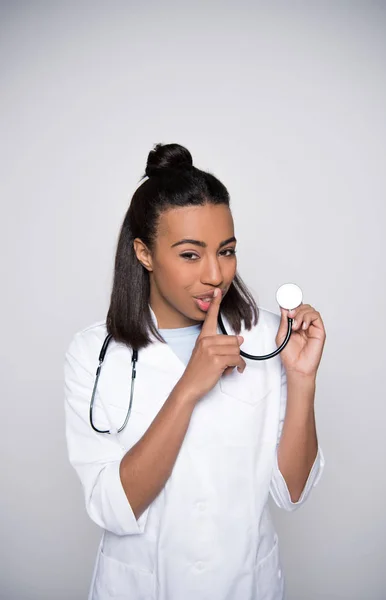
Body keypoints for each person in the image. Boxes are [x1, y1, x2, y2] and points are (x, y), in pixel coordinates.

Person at [64, 143, 326, 600]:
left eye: (226, 251)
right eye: (190, 255)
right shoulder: (92, 352)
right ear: (144, 253)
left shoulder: (266, 337)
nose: (214, 275)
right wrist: (188, 389)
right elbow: (112, 507)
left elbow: (293, 493)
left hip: (245, 584)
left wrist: (302, 380)